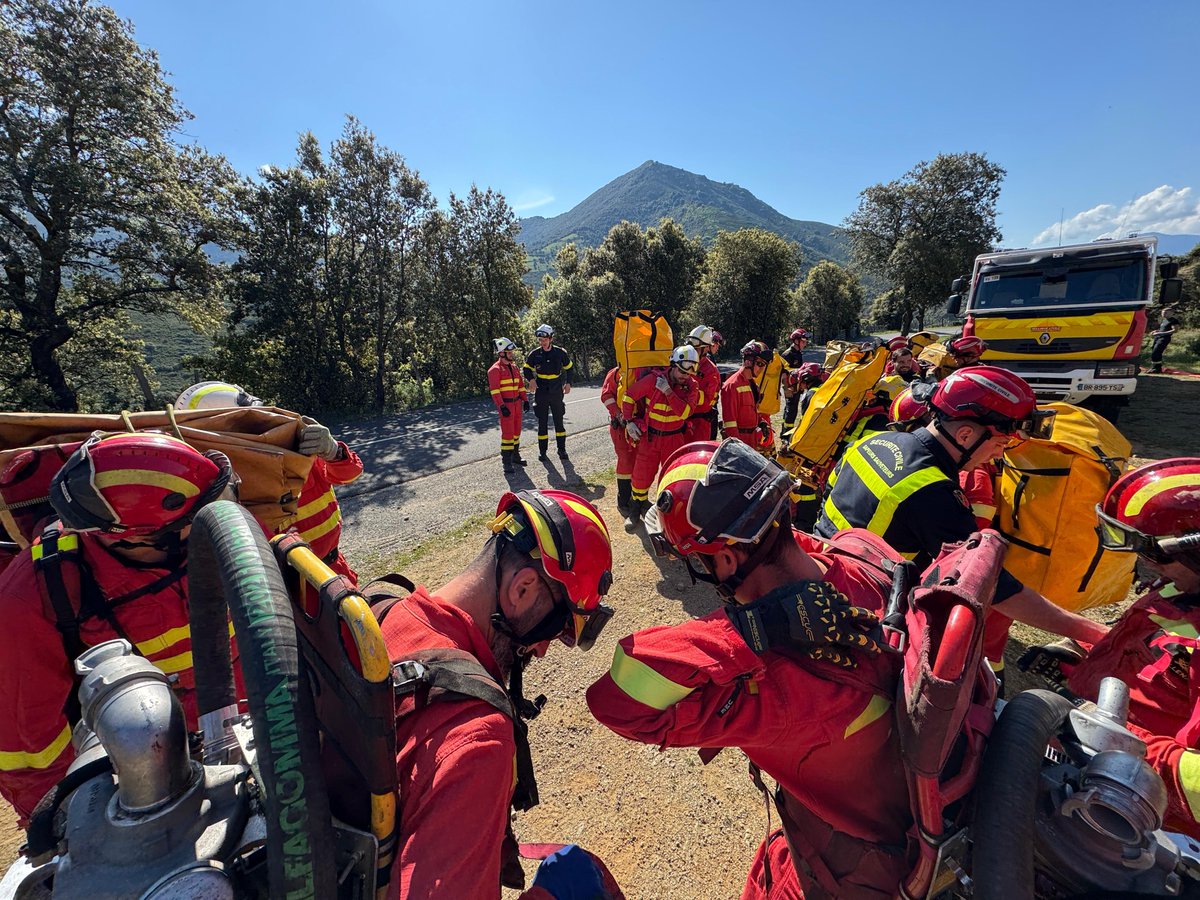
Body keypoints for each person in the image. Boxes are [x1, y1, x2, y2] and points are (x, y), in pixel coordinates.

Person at [587, 439, 914, 898]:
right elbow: (816, 546)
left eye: (696, 562)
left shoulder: (774, 681)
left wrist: (757, 626)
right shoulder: (861, 560)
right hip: (890, 807)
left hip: (851, 865)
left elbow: (616, 701)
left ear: (724, 560)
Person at [380, 488, 618, 897]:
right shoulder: (476, 737)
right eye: (557, 626)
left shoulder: (382, 609)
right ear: (522, 588)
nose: (542, 650)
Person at [0, 432, 241, 823]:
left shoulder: (224, 538)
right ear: (142, 536)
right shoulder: (33, 596)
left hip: (250, 728)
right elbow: (28, 753)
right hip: (148, 773)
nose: (225, 518)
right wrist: (69, 822)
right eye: (204, 515)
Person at [815, 366, 1109, 647]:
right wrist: (1093, 633)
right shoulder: (932, 491)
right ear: (965, 435)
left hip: (823, 568)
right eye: (1000, 444)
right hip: (865, 605)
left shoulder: (874, 441)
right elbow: (994, 587)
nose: (997, 455)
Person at [1022, 458, 1200, 838]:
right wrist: (1084, 661)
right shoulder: (1183, 587)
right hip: (1100, 783)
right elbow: (1152, 657)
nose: (1147, 566)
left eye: (1156, 554)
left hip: (1149, 825)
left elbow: (1195, 785)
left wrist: (1107, 741)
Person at [176, 381, 363, 584]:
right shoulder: (211, 482)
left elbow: (350, 475)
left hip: (334, 570)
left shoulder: (292, 445)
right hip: (279, 589)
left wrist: (334, 451)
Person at [620, 346, 700, 529]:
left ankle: (667, 516)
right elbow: (629, 396)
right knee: (641, 476)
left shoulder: (691, 385)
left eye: (688, 373)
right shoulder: (653, 380)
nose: (684, 376)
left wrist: (668, 392)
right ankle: (635, 511)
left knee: (672, 477)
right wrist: (628, 421)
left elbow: (685, 413)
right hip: (650, 438)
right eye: (681, 371)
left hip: (674, 439)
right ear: (672, 365)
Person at [524, 324, 574, 461]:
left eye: (544, 339)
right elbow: (526, 368)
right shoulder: (535, 354)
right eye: (540, 340)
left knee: (559, 421)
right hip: (541, 391)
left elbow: (569, 368)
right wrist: (531, 380)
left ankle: (562, 450)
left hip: (556, 389)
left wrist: (568, 382)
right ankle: (543, 452)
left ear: (550, 338)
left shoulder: (560, 353)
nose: (542, 342)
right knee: (542, 422)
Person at [721, 341, 774, 454]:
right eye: (759, 364)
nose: (761, 368)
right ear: (748, 361)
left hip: (752, 441)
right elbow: (730, 424)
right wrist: (738, 450)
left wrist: (761, 422)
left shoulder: (753, 385)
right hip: (739, 443)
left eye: (764, 365)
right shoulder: (732, 385)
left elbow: (751, 411)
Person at [600, 364, 637, 514]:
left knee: (639, 462)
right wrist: (619, 415)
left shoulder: (645, 369)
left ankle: (638, 499)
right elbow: (606, 396)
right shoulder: (616, 373)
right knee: (625, 461)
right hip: (621, 427)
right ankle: (623, 501)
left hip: (639, 426)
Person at [488, 337, 529, 474]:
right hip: (506, 406)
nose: (512, 354)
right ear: (501, 353)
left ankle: (515, 456)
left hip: (517, 404)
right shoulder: (494, 370)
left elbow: (521, 386)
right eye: (509, 352)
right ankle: (506, 462)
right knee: (508, 435)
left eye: (511, 352)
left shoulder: (514, 367)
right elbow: (495, 391)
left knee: (517, 432)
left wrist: (526, 400)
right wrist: (501, 406)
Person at [684, 325, 722, 442]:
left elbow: (708, 401)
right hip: (681, 421)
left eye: (696, 348)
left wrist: (687, 392)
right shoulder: (683, 361)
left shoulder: (711, 371)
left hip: (699, 424)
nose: (691, 351)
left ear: (706, 349)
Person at [781, 328, 811, 429]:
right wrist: (786, 389)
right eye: (803, 342)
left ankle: (785, 431)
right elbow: (783, 373)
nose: (805, 344)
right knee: (791, 410)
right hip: (790, 388)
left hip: (797, 386)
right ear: (796, 341)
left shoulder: (798, 353)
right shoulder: (787, 354)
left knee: (791, 409)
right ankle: (786, 434)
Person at [1148, 306, 1181, 374]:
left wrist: (1160, 333)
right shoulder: (1164, 320)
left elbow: (1175, 330)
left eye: (1165, 313)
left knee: (1157, 351)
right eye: (1162, 312)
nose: (1163, 314)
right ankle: (1154, 367)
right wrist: (1156, 331)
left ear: (1171, 313)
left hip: (1164, 338)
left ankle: (1157, 369)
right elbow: (1163, 329)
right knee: (1154, 351)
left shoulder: (1174, 320)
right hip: (1158, 337)